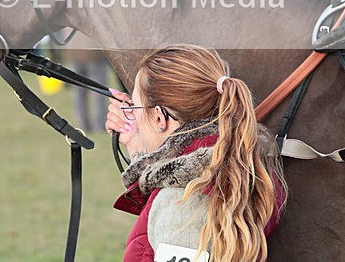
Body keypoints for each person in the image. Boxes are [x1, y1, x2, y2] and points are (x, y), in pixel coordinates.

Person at [106, 45, 286, 262]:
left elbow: (172, 221)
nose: (130, 114)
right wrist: (138, 149)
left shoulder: (182, 204)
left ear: (159, 118)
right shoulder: (234, 166)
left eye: (134, 106)